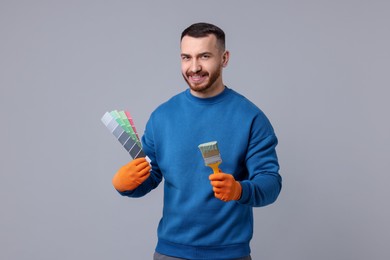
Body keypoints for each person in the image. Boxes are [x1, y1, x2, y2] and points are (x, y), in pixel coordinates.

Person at [112, 22, 282, 260]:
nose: (194, 67)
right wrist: (124, 185)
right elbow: (149, 177)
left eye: (204, 56)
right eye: (186, 57)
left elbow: (271, 183)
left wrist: (239, 190)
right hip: (171, 252)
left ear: (224, 58)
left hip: (230, 254)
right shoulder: (162, 117)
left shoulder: (250, 117)